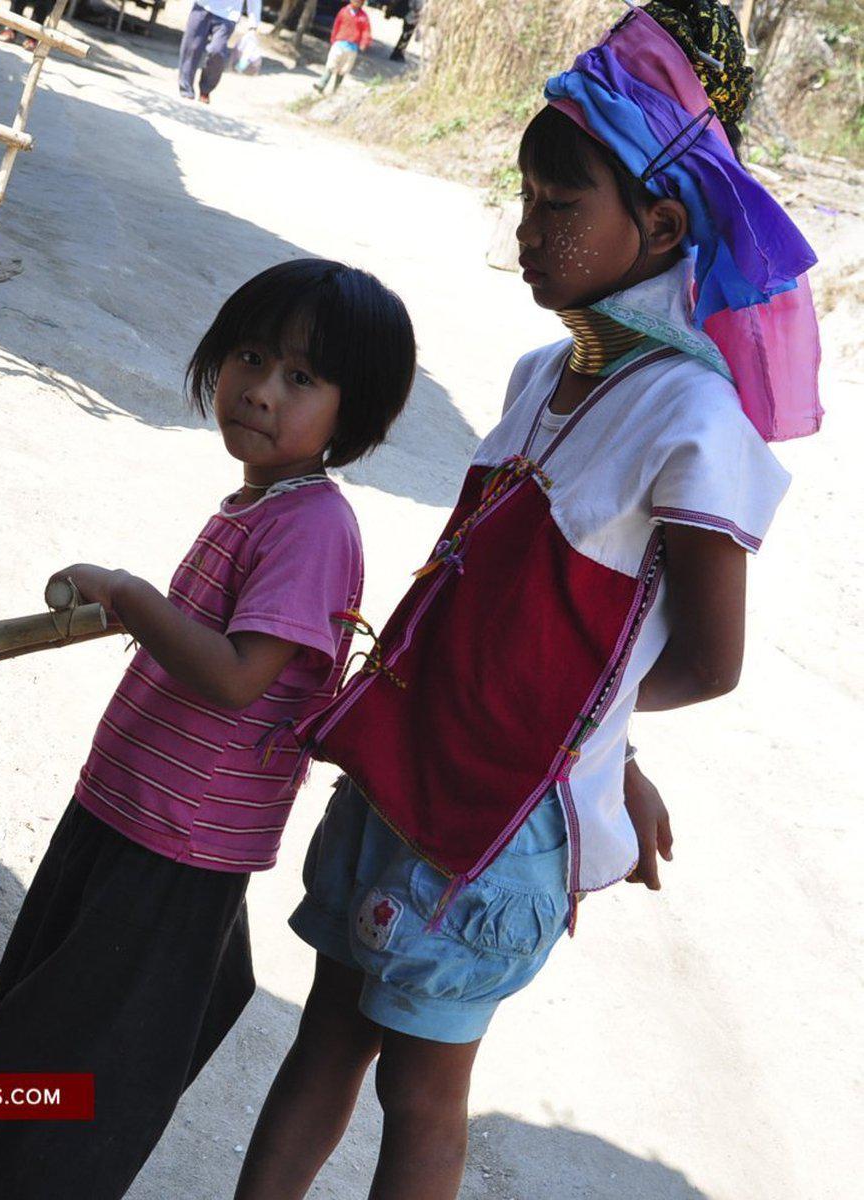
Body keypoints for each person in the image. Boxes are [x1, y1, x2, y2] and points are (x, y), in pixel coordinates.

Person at [235, 3, 820, 1197]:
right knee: (326, 1035)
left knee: (419, 1093)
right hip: (407, 764)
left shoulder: (695, 422)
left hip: (496, 823)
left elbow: (708, 663)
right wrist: (603, 743)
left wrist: (595, 751)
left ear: (658, 226)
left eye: (562, 209)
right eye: (526, 199)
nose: (527, 230)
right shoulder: (539, 374)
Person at [0, 259, 418, 1200]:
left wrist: (133, 597)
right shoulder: (260, 503)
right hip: (125, 810)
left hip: (175, 845)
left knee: (79, 1061)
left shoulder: (311, 528)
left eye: (301, 378)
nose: (259, 391)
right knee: (42, 1019)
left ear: (355, 413)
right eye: (251, 358)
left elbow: (236, 676)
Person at [179, 0, 247, 103]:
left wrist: (253, 25)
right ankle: (186, 88)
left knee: (217, 51)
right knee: (191, 47)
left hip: (228, 14)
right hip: (202, 6)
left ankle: (206, 89)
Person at [314, 0, 371, 94]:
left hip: (352, 47)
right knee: (331, 64)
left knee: (343, 69)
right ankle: (322, 84)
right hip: (339, 43)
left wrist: (364, 43)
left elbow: (366, 31)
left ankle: (335, 89)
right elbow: (337, 25)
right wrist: (333, 38)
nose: (357, 2)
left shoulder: (363, 17)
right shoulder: (344, 11)